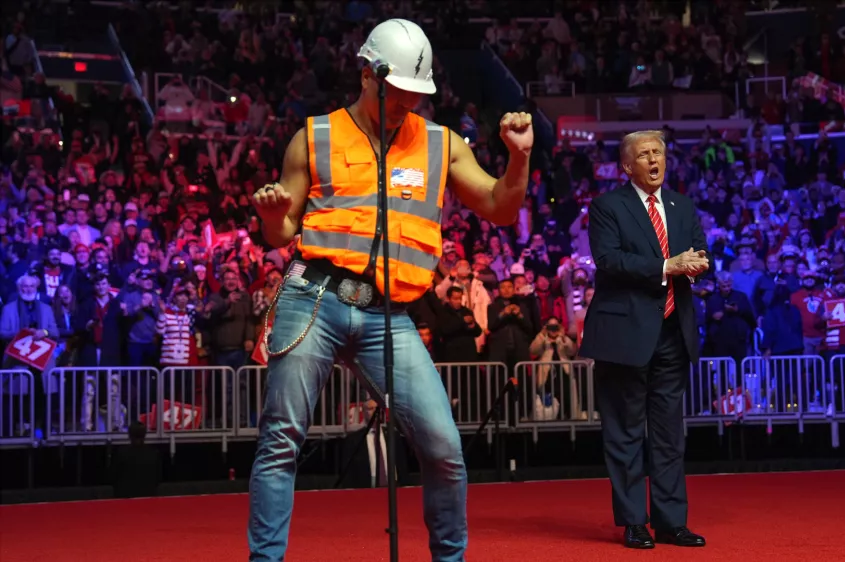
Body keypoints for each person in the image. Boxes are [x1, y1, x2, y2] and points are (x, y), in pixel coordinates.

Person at [246, 18, 533, 562]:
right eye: (398, 91)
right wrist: (272, 217)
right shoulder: (313, 137)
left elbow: (500, 207)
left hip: (390, 316)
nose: (407, 103)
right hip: (314, 299)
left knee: (445, 449)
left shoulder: (441, 144)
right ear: (366, 75)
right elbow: (283, 234)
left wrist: (518, 157)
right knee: (281, 439)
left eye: (416, 94)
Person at [579, 130, 710, 550]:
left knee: (671, 435)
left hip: (673, 332)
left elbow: (701, 252)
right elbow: (609, 260)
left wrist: (696, 265)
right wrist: (668, 265)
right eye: (644, 154)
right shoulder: (607, 207)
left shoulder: (682, 205)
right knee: (625, 434)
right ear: (626, 166)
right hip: (624, 335)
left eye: (659, 152)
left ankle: (671, 522)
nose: (654, 159)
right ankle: (634, 521)